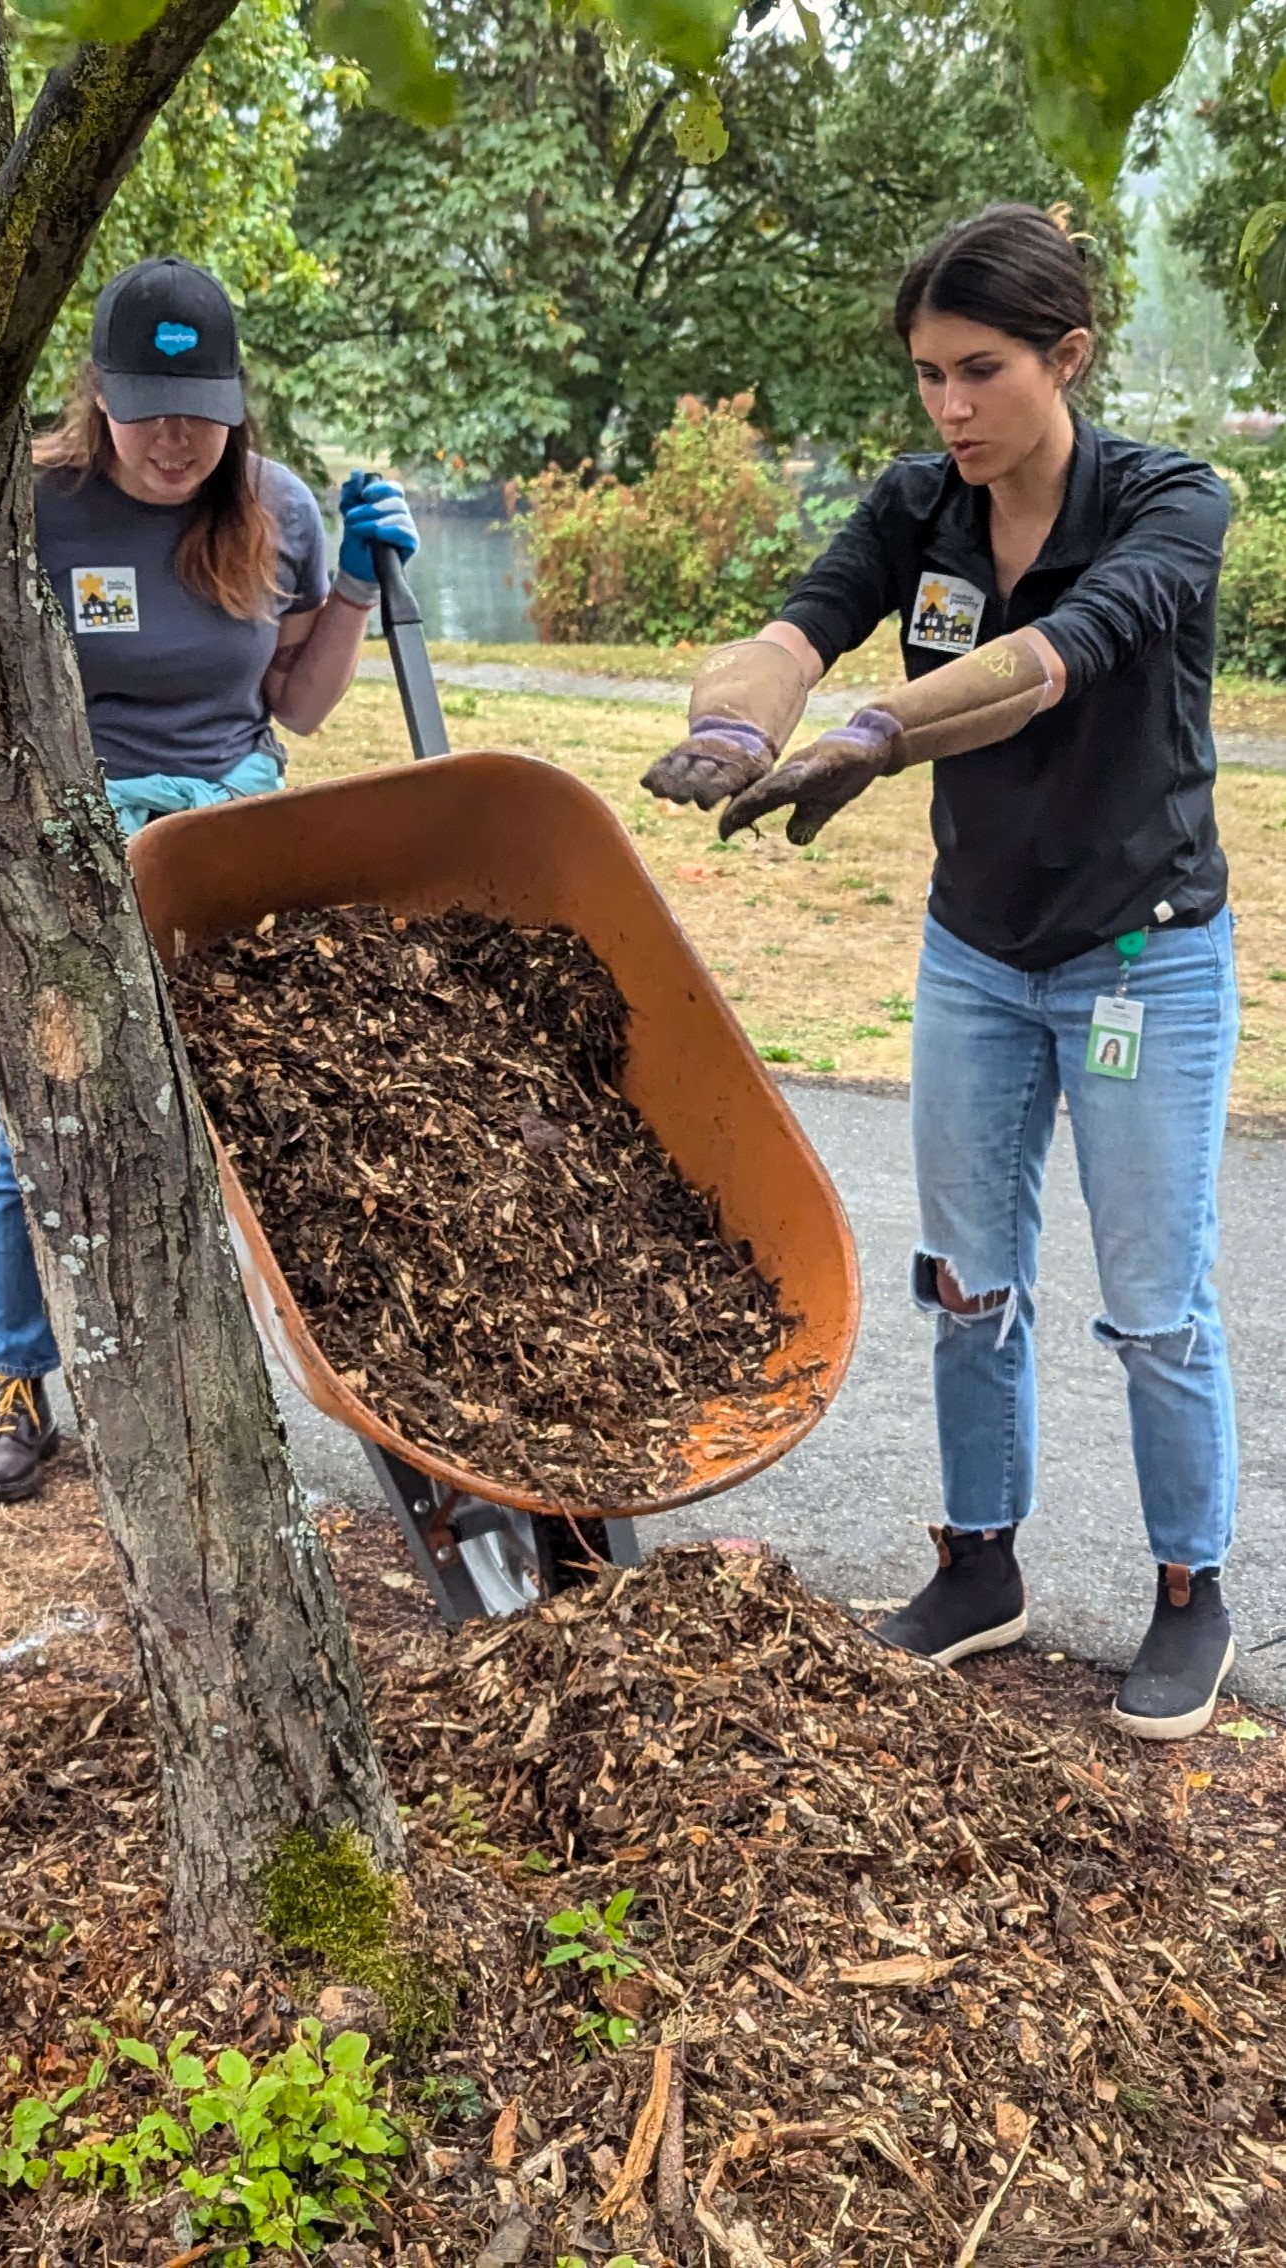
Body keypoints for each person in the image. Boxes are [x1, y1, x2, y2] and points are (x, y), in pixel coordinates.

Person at [641, 203, 1237, 1742]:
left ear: (1070, 357)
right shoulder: (922, 509)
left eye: (981, 372)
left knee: (1154, 1306)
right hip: (977, 956)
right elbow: (797, 630)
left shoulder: (1170, 502)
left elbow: (1050, 667)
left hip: (1138, 965)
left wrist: (877, 735)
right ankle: (981, 1566)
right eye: (927, 376)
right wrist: (737, 721)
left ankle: (1191, 1593)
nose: (951, 409)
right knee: (966, 1281)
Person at [0, 256, 421, 1504]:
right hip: (73, 843)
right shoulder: (33, 504)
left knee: (265, 1119)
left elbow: (299, 705)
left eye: (203, 410)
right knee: (42, 1122)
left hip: (226, 841)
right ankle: (21, 1381)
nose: (176, 439)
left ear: (238, 404)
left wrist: (350, 581)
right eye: (147, 407)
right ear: (97, 396)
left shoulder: (273, 509)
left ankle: (327, 1376)